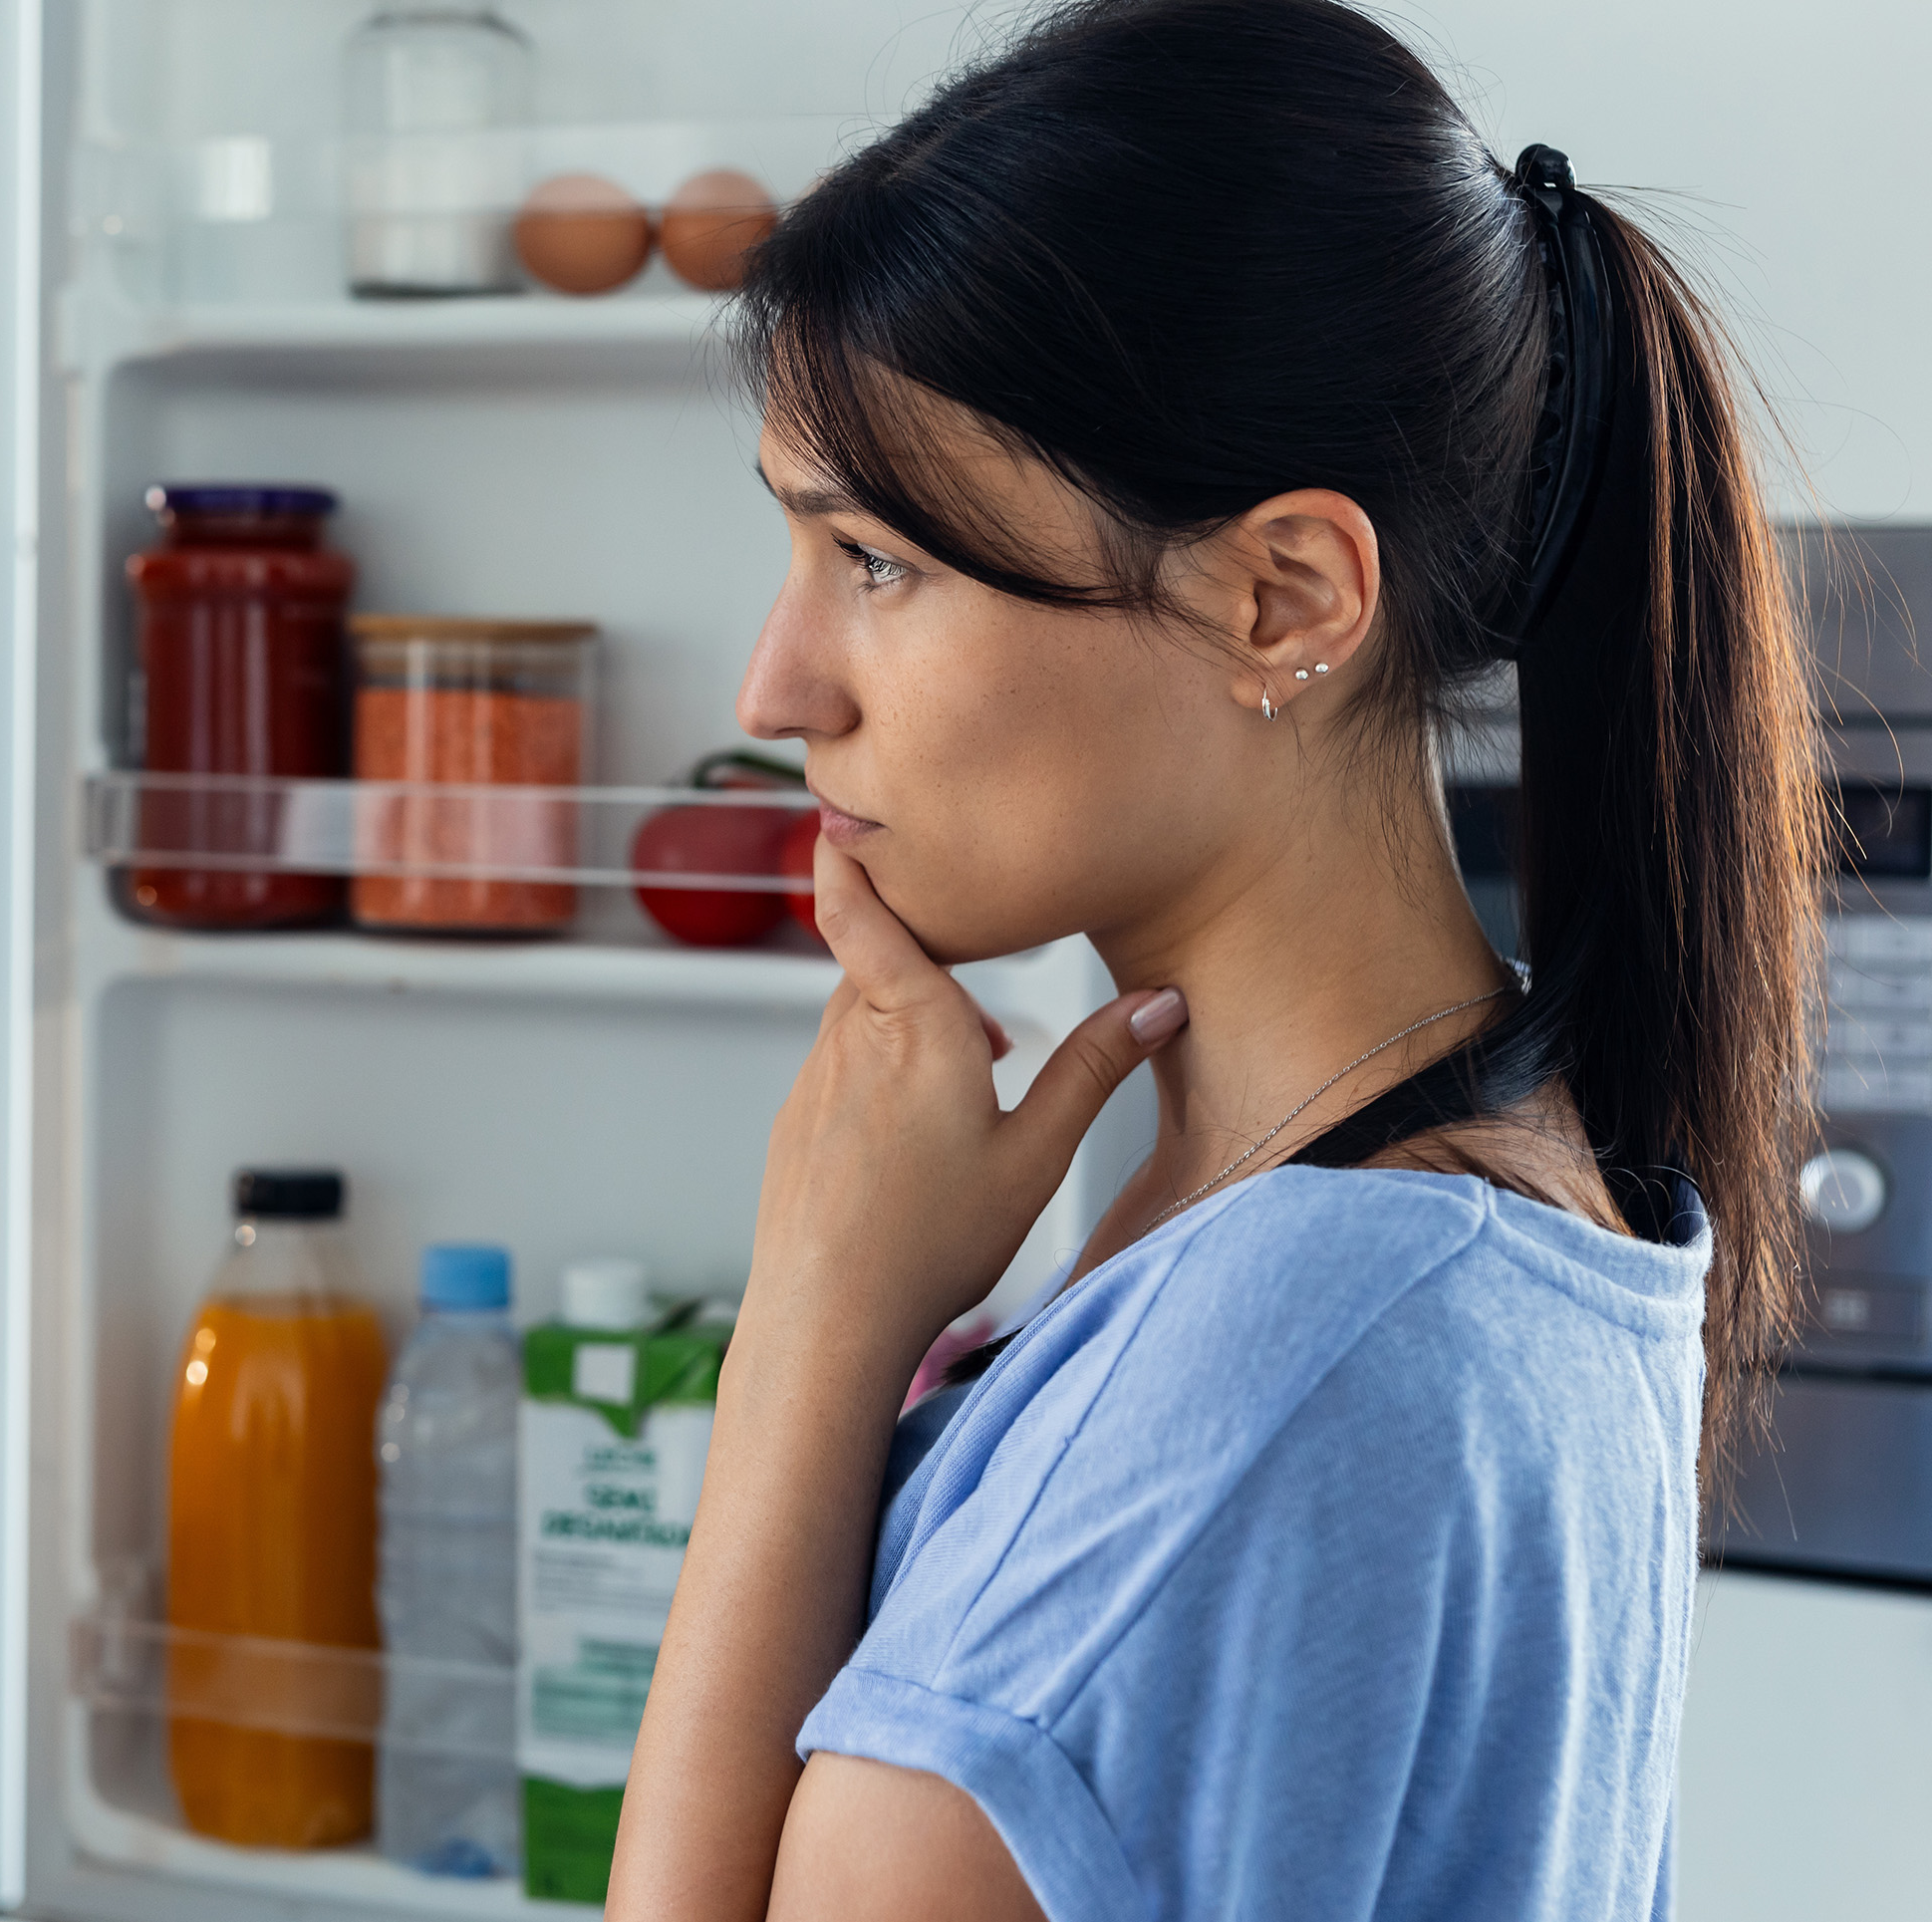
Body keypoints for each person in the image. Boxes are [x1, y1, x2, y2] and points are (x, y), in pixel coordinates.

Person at [610, 2, 1822, 1917]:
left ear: (1282, 597)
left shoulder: (1278, 1345)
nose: (775, 691)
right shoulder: (1521, 1201)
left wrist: (813, 1327)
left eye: (879, 562)